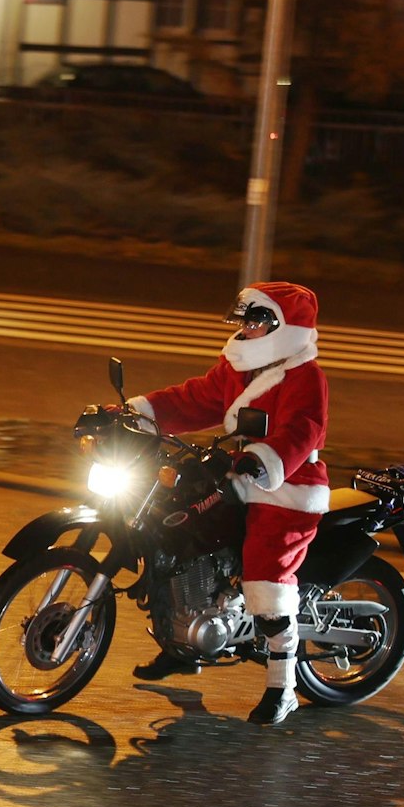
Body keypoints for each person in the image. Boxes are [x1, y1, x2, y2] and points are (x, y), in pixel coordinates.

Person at [129, 282, 329, 727]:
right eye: (245, 319)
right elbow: (195, 398)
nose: (246, 328)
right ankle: (182, 644)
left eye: (256, 320)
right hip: (236, 469)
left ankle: (283, 687)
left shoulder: (305, 376)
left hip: (286, 482)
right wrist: (137, 412)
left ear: (282, 325)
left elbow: (302, 430)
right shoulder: (240, 365)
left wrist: (264, 458)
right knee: (171, 531)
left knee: (265, 568)